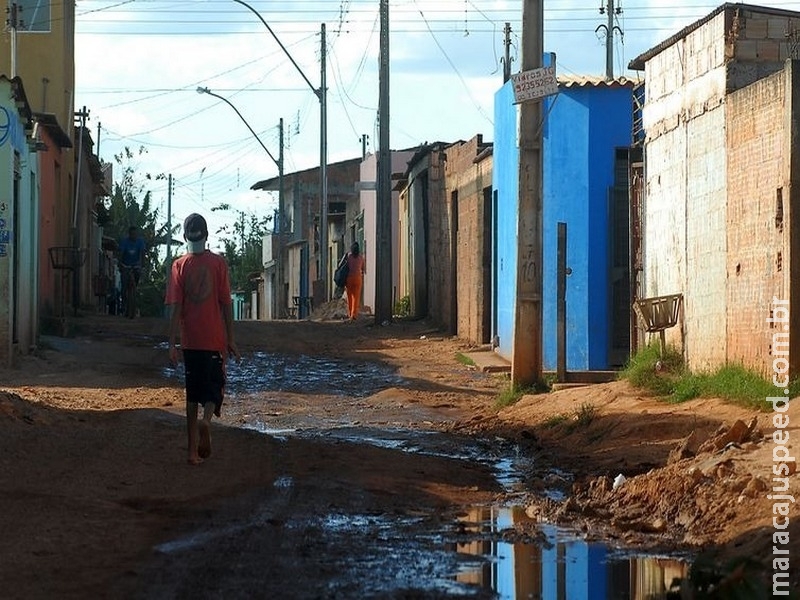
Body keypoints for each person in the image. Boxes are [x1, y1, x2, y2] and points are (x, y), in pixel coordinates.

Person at [166, 213, 240, 465]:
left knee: (191, 396)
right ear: (207, 236)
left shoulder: (178, 265)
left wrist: (171, 344)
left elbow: (175, 308)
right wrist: (231, 338)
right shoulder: (219, 264)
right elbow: (226, 304)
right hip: (214, 340)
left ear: (185, 237)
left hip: (190, 341)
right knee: (213, 389)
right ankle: (206, 421)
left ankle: (191, 452)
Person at [118, 226, 145, 316]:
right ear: (129, 234)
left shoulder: (140, 242)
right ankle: (124, 304)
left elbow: (142, 253)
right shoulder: (124, 242)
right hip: (126, 265)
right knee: (124, 286)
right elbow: (121, 254)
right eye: (132, 234)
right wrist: (120, 264)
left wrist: (142, 265)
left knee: (136, 281)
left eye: (135, 234)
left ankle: (133, 295)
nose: (134, 236)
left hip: (136, 265)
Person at [343, 242, 366, 321]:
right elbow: (363, 269)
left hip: (349, 279)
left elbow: (345, 266)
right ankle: (354, 315)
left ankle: (350, 313)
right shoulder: (361, 257)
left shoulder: (349, 256)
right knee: (356, 298)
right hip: (358, 278)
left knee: (349, 297)